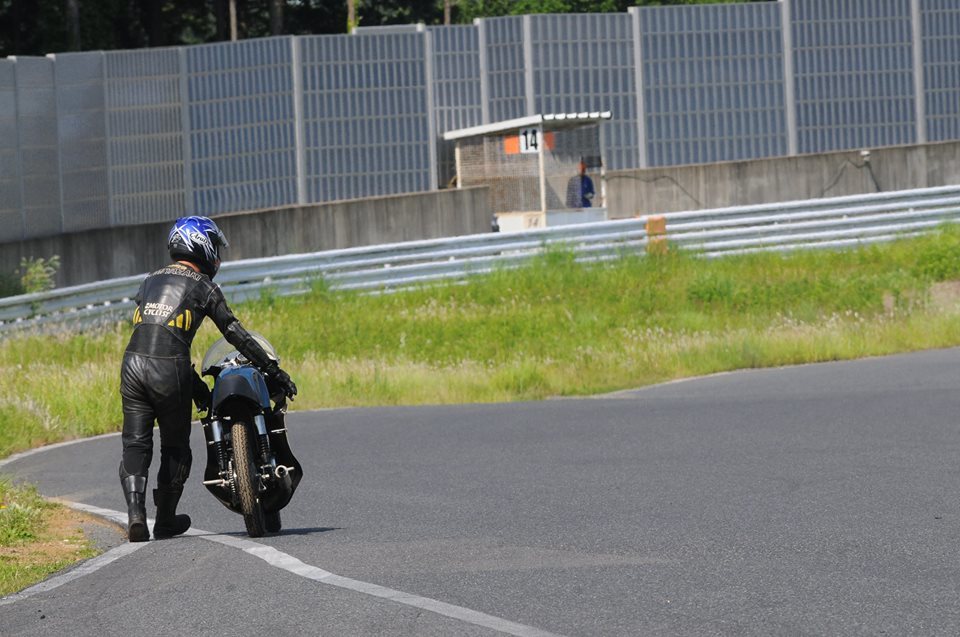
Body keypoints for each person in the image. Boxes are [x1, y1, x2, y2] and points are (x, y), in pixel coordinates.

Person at [119, 216, 297, 542]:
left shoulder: (149, 280)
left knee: (136, 443)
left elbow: (155, 332)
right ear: (202, 246)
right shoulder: (203, 286)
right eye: (215, 246)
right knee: (175, 447)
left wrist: (199, 389)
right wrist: (274, 370)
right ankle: (166, 520)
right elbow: (234, 334)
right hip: (169, 367)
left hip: (132, 364)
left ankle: (136, 516)